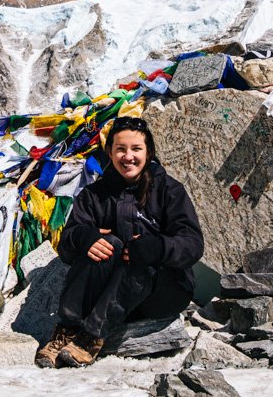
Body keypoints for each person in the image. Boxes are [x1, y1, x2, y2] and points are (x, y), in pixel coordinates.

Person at [35, 116, 204, 368]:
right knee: (106, 246)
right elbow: (67, 246)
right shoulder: (94, 195)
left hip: (163, 291)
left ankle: (91, 336)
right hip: (111, 292)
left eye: (136, 149)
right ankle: (67, 330)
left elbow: (192, 243)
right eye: (120, 149)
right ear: (110, 153)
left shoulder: (168, 190)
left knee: (141, 258)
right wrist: (85, 238)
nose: (128, 157)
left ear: (149, 152)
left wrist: (156, 247)